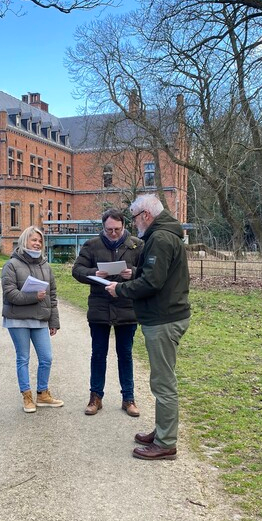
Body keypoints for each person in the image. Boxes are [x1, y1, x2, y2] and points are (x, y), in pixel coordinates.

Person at [105, 194, 190, 460]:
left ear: (146, 215)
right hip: (165, 315)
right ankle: (163, 430)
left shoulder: (160, 238)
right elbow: (158, 275)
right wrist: (136, 274)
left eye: (134, 218)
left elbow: (153, 283)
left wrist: (120, 289)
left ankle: (166, 442)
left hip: (164, 318)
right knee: (161, 380)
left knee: (163, 383)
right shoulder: (163, 235)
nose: (134, 223)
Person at [72, 208, 144, 417]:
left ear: (124, 226)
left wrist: (133, 273)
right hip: (100, 307)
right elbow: (77, 270)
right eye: (109, 230)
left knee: (125, 354)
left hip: (127, 307)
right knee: (98, 354)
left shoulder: (137, 245)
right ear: (103, 227)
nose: (113, 233)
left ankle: (128, 398)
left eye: (117, 229)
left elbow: (148, 272)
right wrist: (94, 273)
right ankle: (95, 397)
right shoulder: (92, 245)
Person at [1, 226, 63, 413]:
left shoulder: (46, 266)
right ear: (24, 241)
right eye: (33, 239)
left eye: (39, 240)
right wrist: (34, 296)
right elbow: (10, 294)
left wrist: (53, 321)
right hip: (17, 320)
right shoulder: (11, 265)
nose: (37, 243)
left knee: (46, 357)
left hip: (40, 319)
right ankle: (27, 396)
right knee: (23, 358)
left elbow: (52, 296)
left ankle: (42, 394)